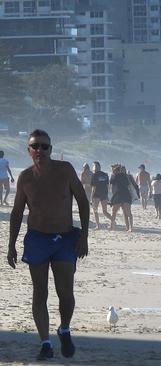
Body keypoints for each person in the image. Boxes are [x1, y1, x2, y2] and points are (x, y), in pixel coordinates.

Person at [7, 129, 89, 360]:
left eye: (44, 146)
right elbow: (16, 213)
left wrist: (83, 236)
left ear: (51, 150)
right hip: (37, 239)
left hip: (65, 238)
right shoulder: (25, 178)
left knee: (65, 292)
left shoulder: (65, 171)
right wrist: (11, 244)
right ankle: (45, 343)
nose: (40, 150)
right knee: (39, 291)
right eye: (35, 146)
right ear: (29, 150)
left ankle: (64, 328)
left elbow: (82, 201)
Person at [109, 165, 135, 232]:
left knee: (114, 211)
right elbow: (128, 184)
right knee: (128, 213)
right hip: (126, 195)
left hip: (119, 195)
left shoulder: (115, 176)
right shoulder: (125, 176)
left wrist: (113, 174)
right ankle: (130, 228)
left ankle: (112, 226)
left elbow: (111, 182)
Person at [90, 162, 112, 230]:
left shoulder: (94, 175)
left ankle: (98, 226)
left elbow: (94, 187)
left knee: (95, 210)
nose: (93, 168)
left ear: (96, 167)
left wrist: (91, 197)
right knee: (105, 211)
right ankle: (113, 221)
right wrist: (107, 194)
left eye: (94, 166)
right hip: (104, 194)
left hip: (96, 194)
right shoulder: (105, 175)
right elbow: (108, 186)